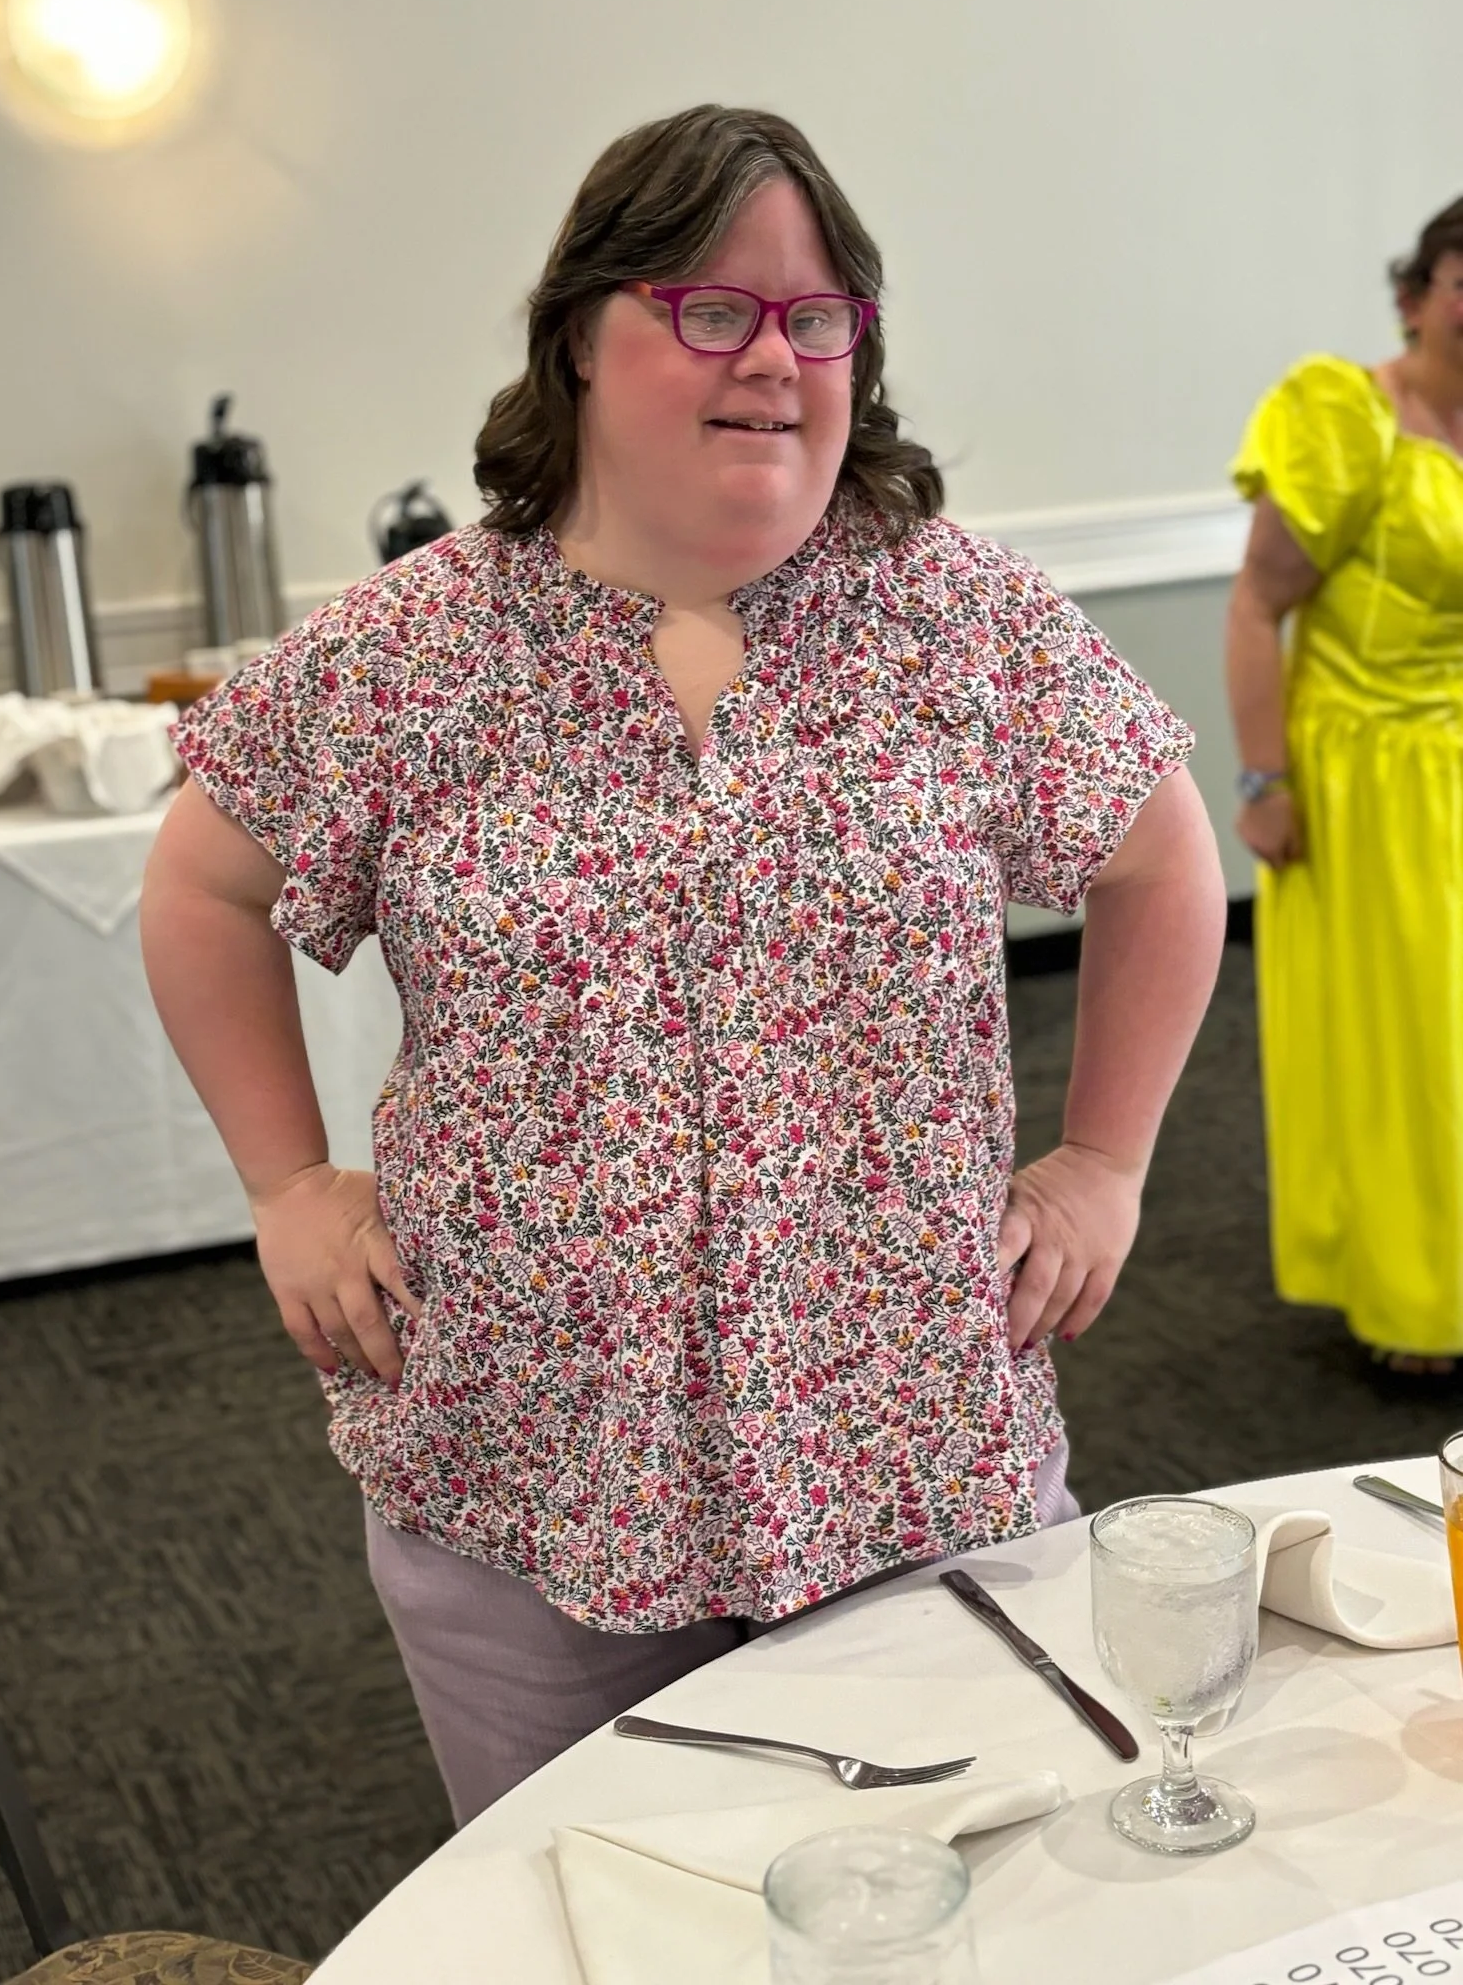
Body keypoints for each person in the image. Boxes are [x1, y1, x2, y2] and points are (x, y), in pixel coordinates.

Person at [141, 103, 1224, 1823]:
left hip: (907, 1442)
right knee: (596, 1914)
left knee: (961, 1901)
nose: (772, 357)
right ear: (579, 334)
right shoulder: (413, 646)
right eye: (708, 306)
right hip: (527, 1460)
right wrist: (285, 1180)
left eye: (818, 316)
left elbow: (1166, 855)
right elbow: (199, 887)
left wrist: (1101, 1163)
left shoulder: (956, 617)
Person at [1227, 196, 1463, 1377]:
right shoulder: (1346, 415)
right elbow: (1258, 605)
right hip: (1367, 769)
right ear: (1416, 293)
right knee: (1413, 1041)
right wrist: (1263, 779)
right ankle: (1419, 1295)